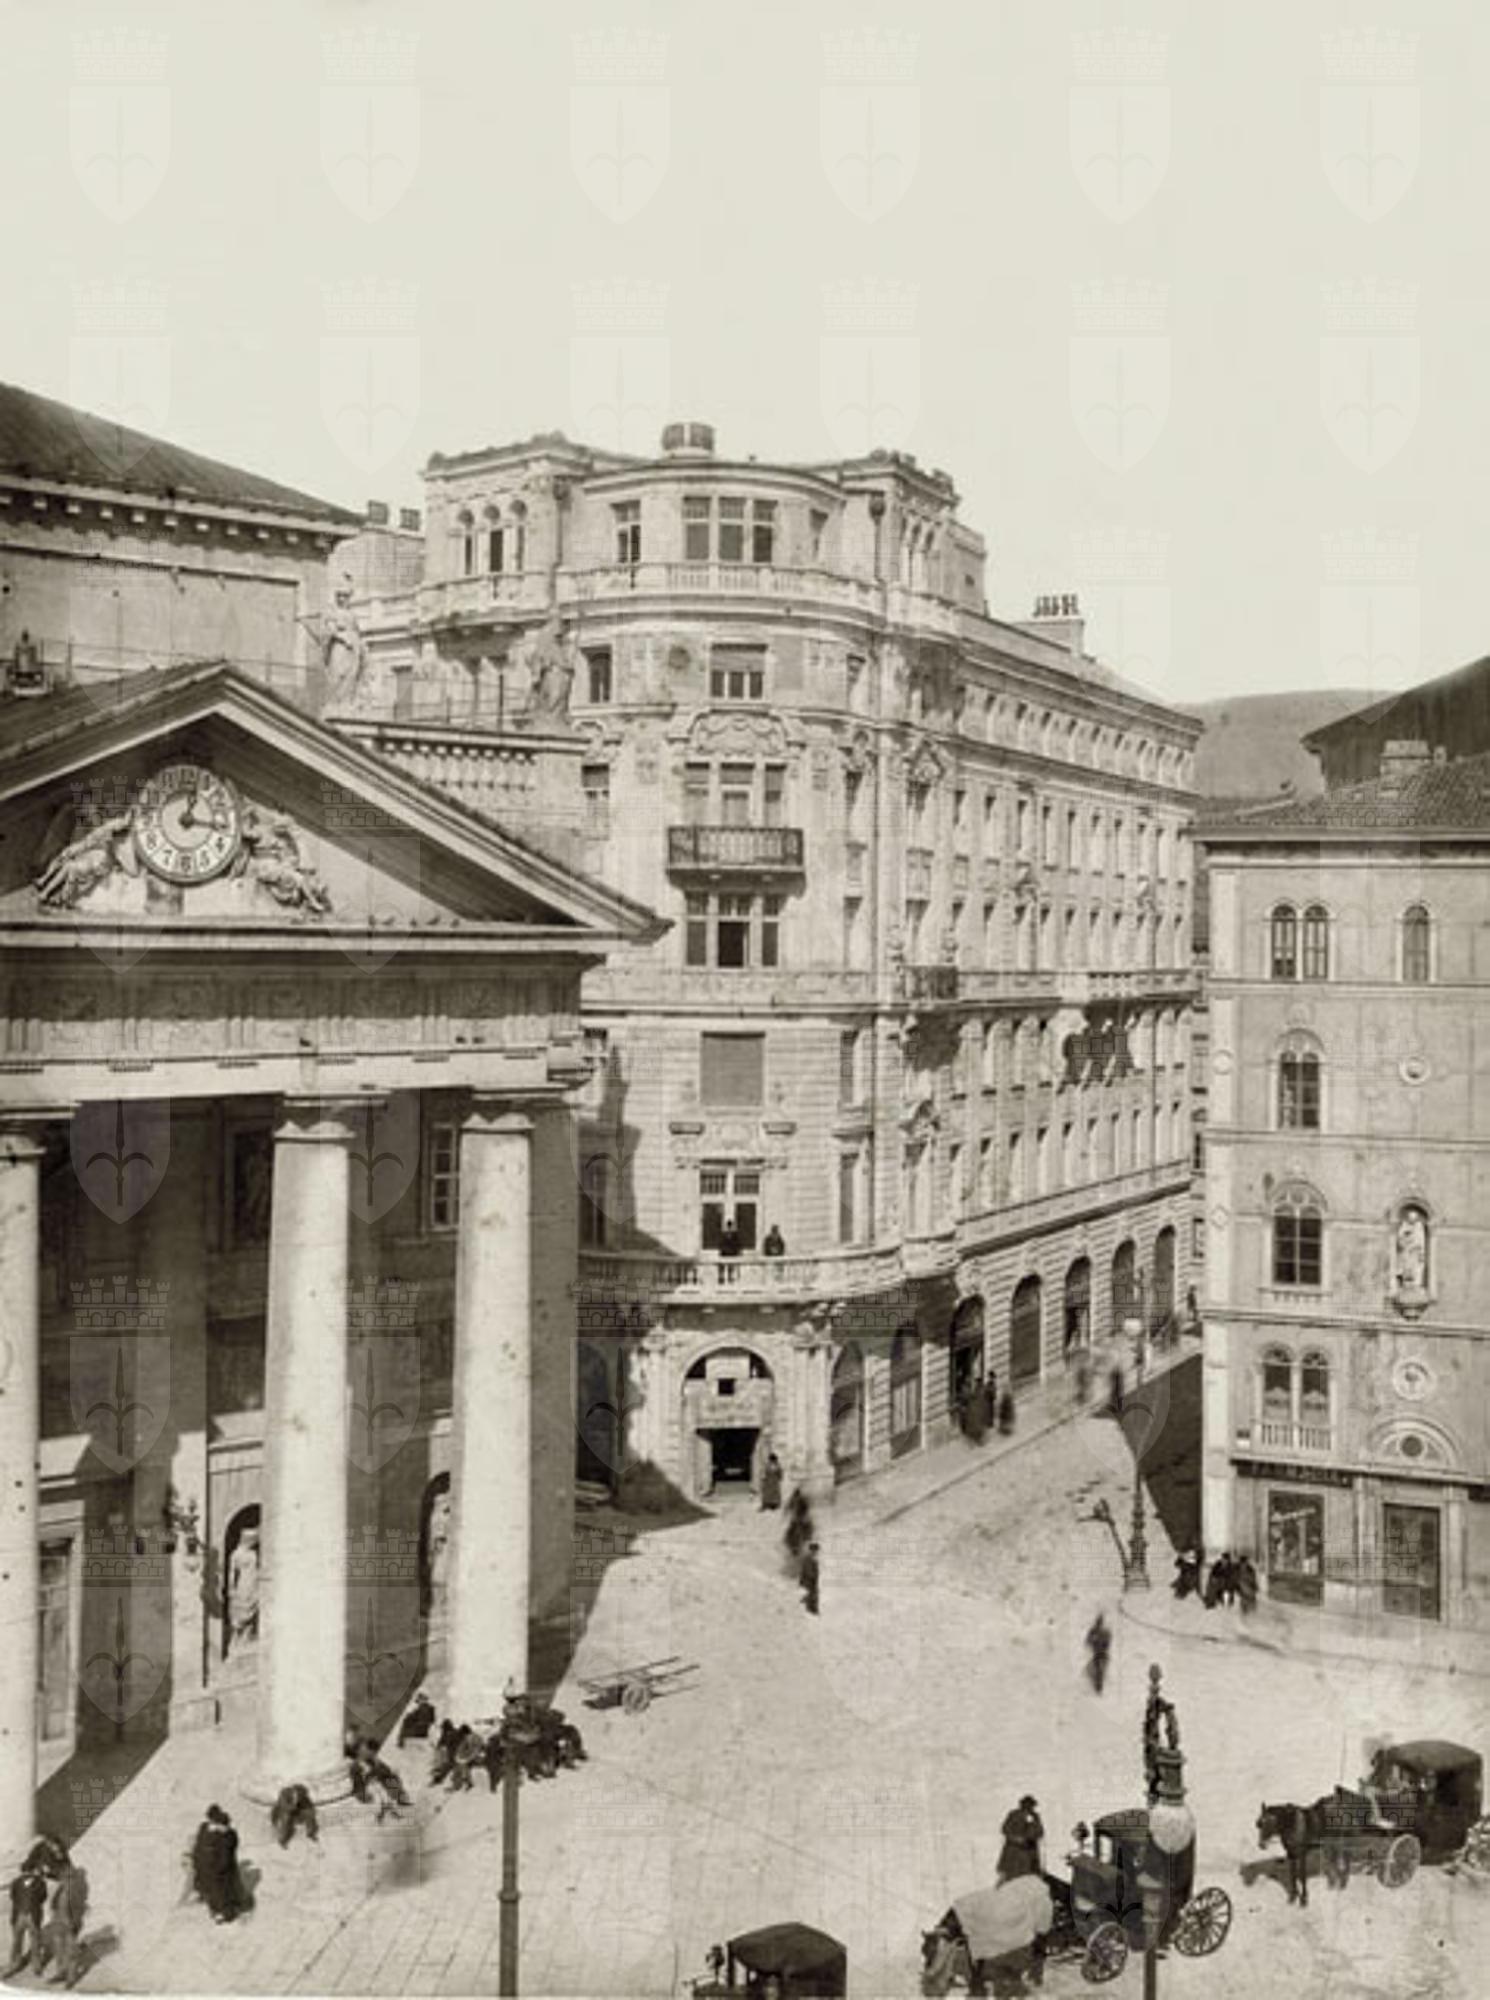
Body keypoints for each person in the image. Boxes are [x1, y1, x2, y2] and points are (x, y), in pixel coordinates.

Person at [191, 1805, 243, 1924]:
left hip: (219, 1868)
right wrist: (196, 1859)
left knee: (222, 1890)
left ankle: (225, 1913)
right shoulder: (204, 1828)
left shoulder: (227, 1834)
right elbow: (199, 1845)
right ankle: (215, 1908)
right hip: (206, 1865)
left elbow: (226, 1853)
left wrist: (220, 1867)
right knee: (210, 1888)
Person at [45, 1857, 88, 1987]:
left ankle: (71, 1977)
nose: (63, 1878)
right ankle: (61, 1973)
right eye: (63, 1876)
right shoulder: (61, 1888)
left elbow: (80, 1907)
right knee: (58, 1949)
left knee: (71, 1951)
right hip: (58, 1921)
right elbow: (53, 1904)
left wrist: (74, 1922)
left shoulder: (78, 1888)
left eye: (66, 1876)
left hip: (70, 1922)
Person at [6, 1860, 48, 1978]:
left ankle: (21, 1964)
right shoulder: (39, 1882)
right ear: (33, 1871)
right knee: (28, 1940)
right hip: (28, 1915)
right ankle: (32, 1965)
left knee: (24, 1940)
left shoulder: (18, 1882)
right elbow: (42, 1897)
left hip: (24, 1915)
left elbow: (13, 1896)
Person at [997, 1797, 1045, 1883]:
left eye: (1030, 1806)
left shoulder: (1035, 1817)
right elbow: (1005, 1829)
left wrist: (1031, 1836)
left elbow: (1040, 1832)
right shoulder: (1013, 1814)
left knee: (1028, 1876)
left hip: (1029, 1852)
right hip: (1013, 1851)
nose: (1028, 1807)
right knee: (1010, 1875)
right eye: (1026, 1805)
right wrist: (1016, 1838)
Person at [1085, 1613, 1112, 1695]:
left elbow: (1108, 1642)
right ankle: (1098, 1687)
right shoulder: (1095, 1631)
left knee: (1100, 1670)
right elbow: (1088, 1641)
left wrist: (1096, 1642)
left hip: (1102, 1654)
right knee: (1099, 1670)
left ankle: (1099, 1687)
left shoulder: (1103, 1632)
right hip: (1098, 1654)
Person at [799, 1540, 821, 1616]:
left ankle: (813, 1609)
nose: (815, 1552)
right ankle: (810, 1609)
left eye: (816, 1550)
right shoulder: (808, 1559)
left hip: (812, 1581)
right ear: (811, 1550)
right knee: (811, 1594)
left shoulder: (813, 1559)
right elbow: (807, 1571)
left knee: (814, 1594)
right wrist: (812, 1577)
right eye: (814, 1550)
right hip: (808, 1581)